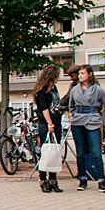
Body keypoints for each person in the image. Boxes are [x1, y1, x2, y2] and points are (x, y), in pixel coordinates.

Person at [69, 64, 105, 193]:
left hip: (93, 121)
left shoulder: (98, 90)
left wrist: (101, 119)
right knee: (80, 152)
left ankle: (101, 181)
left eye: (83, 73)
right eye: (80, 74)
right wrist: (74, 115)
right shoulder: (74, 90)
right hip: (78, 122)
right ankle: (82, 179)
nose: (80, 76)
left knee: (96, 153)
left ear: (90, 74)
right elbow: (71, 105)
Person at [33, 65, 64, 193]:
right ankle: (42, 179)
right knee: (45, 151)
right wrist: (50, 123)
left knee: (54, 151)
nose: (59, 78)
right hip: (46, 124)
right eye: (57, 75)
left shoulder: (54, 88)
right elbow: (44, 108)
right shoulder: (42, 90)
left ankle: (53, 180)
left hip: (56, 122)